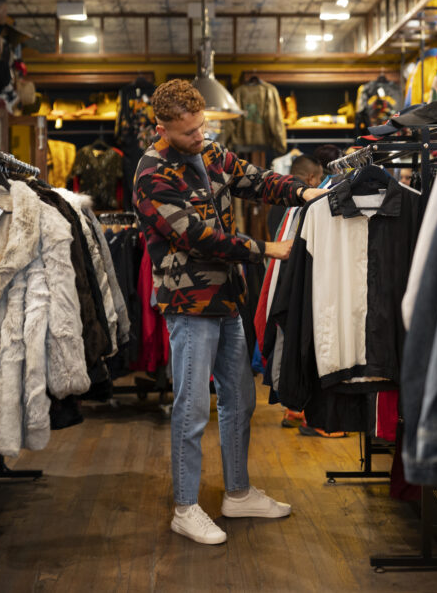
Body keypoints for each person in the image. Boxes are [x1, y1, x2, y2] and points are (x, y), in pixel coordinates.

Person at [133, 79, 327, 545]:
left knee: (240, 399)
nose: (200, 137)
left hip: (228, 298)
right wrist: (265, 249)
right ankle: (184, 506)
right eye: (188, 133)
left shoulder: (210, 152)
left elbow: (254, 179)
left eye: (203, 127)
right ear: (161, 128)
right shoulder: (151, 175)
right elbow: (196, 237)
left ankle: (237, 493)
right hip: (191, 304)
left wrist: (302, 193)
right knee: (192, 408)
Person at [267, 154, 322, 239]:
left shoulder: (278, 200)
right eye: (320, 178)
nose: (320, 182)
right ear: (311, 178)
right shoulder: (306, 203)